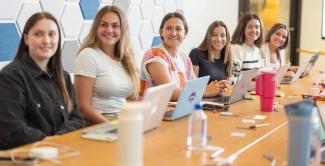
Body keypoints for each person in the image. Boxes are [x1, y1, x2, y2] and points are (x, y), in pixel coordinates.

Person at [0, 12, 84, 150]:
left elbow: (76, 119)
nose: (46, 40)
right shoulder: (11, 77)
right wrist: (47, 142)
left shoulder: (64, 77)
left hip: (61, 152)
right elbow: (11, 129)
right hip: (26, 157)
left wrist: (59, 139)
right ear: (26, 39)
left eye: (52, 34)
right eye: (38, 34)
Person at [74, 6, 139, 125]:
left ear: (122, 30)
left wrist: (148, 114)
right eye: (103, 25)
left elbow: (133, 100)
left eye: (115, 26)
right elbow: (83, 108)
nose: (109, 30)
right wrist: (113, 126)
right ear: (96, 28)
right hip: (98, 122)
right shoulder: (88, 55)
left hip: (122, 119)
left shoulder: (124, 59)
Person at [140, 12, 224, 101]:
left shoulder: (185, 59)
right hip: (153, 112)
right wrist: (204, 91)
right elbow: (170, 93)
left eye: (178, 29)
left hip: (178, 110)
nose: (173, 33)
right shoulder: (154, 55)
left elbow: (195, 88)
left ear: (185, 34)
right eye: (168, 28)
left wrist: (214, 88)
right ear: (161, 32)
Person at [189, 20, 232, 90]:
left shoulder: (227, 57)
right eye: (214, 35)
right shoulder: (195, 53)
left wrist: (225, 87)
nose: (219, 39)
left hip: (219, 97)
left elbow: (227, 84)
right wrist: (209, 90)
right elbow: (192, 87)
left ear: (227, 38)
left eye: (222, 35)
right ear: (208, 37)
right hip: (203, 99)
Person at [231, 13, 264, 80]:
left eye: (257, 27)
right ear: (242, 29)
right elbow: (231, 79)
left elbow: (259, 73)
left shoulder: (257, 49)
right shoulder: (235, 48)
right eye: (250, 27)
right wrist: (251, 75)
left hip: (254, 88)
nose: (254, 30)